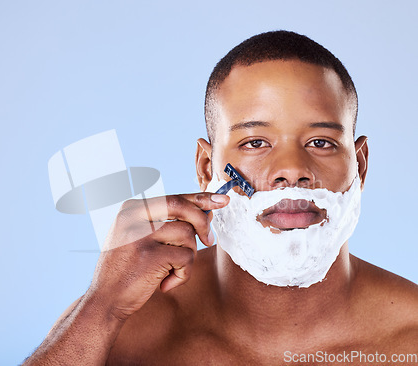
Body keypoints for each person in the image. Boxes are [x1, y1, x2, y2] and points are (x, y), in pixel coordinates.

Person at [23, 31, 418, 365]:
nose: (292, 170)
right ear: (206, 166)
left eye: (320, 142)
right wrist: (101, 306)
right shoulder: (121, 328)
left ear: (360, 166)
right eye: (255, 142)